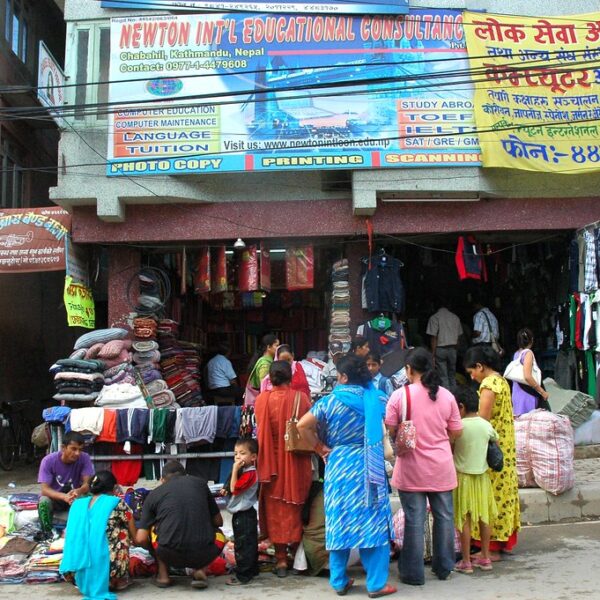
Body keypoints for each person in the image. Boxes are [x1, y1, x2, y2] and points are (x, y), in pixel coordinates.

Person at [297, 355, 397, 598]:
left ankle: (339, 580)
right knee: (372, 521)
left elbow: (302, 426)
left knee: (339, 520)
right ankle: (375, 584)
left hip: (339, 465)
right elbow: (391, 426)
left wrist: (320, 448)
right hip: (369, 465)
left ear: (343, 377)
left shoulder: (330, 402)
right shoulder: (377, 399)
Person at [385, 347, 463, 586]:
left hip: (411, 467)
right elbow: (456, 431)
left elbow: (390, 427)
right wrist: (440, 441)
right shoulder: (447, 396)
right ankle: (444, 567)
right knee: (444, 517)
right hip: (441, 466)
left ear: (409, 370)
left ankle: (413, 573)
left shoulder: (400, 395)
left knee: (414, 519)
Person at [254, 360, 312, 578]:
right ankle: (297, 554)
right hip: (296, 462)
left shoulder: (262, 400)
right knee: (296, 507)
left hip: (270, 464)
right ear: (291, 377)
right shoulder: (301, 398)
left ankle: (280, 560)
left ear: (270, 377)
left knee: (274, 508)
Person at [463, 346, 520, 560]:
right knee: (505, 492)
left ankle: (492, 548)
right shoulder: (502, 381)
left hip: (492, 447)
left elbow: (482, 420)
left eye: (472, 372)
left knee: (493, 495)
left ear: (480, 366)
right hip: (505, 444)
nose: (472, 376)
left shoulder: (488, 385)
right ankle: (504, 541)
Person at [136, 460, 224, 589]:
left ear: (162, 480)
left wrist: (155, 553)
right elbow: (218, 522)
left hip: (168, 553)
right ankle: (199, 569)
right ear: (185, 475)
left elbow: (141, 538)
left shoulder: (154, 494)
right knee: (219, 535)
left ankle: (163, 575)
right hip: (205, 553)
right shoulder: (200, 484)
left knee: (154, 529)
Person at [60, 470, 137, 597]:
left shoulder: (76, 504)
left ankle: (85, 579)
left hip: (73, 570)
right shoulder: (117, 503)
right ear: (114, 488)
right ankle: (112, 580)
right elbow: (134, 534)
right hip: (110, 569)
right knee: (122, 530)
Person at [452, 386, 499, 574]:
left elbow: (450, 444)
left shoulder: (458, 427)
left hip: (462, 478)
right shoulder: (485, 424)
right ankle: (486, 557)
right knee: (484, 518)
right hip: (482, 478)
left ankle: (466, 561)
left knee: (465, 518)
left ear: (461, 407)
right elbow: (495, 440)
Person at [37, 431, 94, 532]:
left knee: (88, 496)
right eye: (73, 449)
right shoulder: (48, 461)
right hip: (55, 498)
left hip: (73, 497)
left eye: (80, 450)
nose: (77, 453)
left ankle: (81, 529)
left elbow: (87, 485)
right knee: (44, 502)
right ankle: (47, 533)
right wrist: (64, 497)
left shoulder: (84, 458)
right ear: (63, 447)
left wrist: (78, 491)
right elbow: (44, 490)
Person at [222, 438, 259, 586]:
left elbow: (234, 488)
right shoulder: (244, 470)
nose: (238, 457)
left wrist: (235, 469)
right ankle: (251, 570)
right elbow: (229, 484)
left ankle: (243, 575)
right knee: (247, 542)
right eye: (236, 453)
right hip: (242, 513)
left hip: (245, 514)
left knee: (243, 545)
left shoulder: (250, 474)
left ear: (253, 457)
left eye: (242, 453)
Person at [511, 328, 549, 416]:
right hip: (527, 393)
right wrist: (542, 391)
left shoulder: (516, 354)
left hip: (517, 393)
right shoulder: (528, 353)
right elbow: (527, 376)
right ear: (531, 340)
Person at [426, 302, 462, 390]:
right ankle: (455, 395)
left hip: (440, 349)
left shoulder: (434, 318)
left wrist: (433, 354)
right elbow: (459, 336)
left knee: (443, 376)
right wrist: (456, 349)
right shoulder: (455, 317)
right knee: (452, 374)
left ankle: (447, 397)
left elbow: (434, 337)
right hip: (453, 349)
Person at [245, 333, 280, 404]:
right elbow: (264, 386)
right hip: (261, 402)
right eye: (276, 345)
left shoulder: (268, 361)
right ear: (269, 347)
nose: (278, 348)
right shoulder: (265, 364)